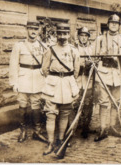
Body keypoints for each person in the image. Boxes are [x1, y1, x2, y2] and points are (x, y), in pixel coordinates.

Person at [41, 23, 80, 155]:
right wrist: (55, 78)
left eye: (65, 34)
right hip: (53, 85)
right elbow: (44, 69)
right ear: (57, 34)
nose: (62, 36)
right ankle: (50, 143)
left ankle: (61, 140)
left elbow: (76, 71)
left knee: (64, 115)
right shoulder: (50, 50)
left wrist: (67, 80)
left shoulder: (74, 51)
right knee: (50, 115)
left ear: (69, 34)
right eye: (60, 33)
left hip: (68, 85)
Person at [9, 20, 47, 143]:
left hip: (37, 79)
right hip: (23, 78)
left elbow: (46, 64)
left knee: (36, 105)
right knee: (23, 105)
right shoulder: (19, 45)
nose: (33, 31)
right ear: (26, 30)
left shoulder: (43, 46)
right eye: (30, 29)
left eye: (35, 29)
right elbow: (13, 65)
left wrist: (45, 78)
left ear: (39, 31)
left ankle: (37, 131)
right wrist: (14, 82)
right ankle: (23, 131)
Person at [94, 14, 121, 141]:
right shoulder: (100, 39)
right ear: (108, 24)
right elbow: (95, 57)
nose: (114, 25)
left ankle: (112, 127)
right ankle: (103, 128)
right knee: (103, 103)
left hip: (118, 75)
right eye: (111, 22)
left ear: (119, 26)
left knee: (116, 102)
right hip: (104, 74)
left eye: (116, 23)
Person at [74, 26, 95, 138]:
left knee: (88, 103)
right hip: (77, 81)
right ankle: (75, 125)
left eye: (85, 36)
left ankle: (86, 127)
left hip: (88, 80)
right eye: (81, 35)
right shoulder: (74, 48)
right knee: (76, 103)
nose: (83, 38)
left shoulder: (92, 49)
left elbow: (96, 62)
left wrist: (91, 64)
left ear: (88, 38)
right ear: (78, 36)